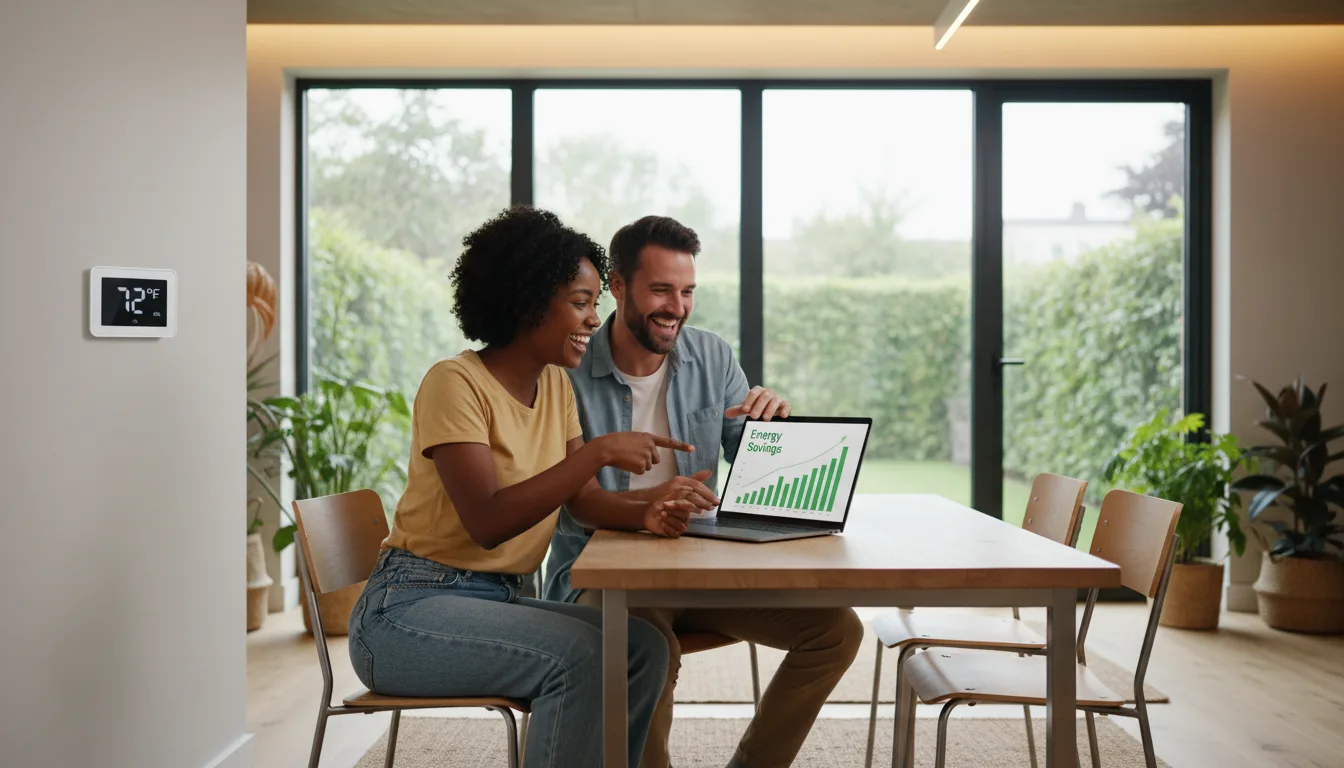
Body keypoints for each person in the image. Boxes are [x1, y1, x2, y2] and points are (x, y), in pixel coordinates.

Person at [347, 206, 703, 768]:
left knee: (643, 647)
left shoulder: (556, 387)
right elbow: (488, 522)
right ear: (529, 300)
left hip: (505, 598)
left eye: (594, 303)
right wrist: (599, 450)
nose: (593, 321)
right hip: (409, 610)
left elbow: (582, 504)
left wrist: (650, 507)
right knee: (582, 657)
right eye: (580, 303)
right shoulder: (455, 382)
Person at [544, 215, 865, 768]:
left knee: (836, 632)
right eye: (661, 289)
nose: (677, 306)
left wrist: (775, 423)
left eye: (687, 290)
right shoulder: (568, 371)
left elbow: (751, 454)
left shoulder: (712, 356)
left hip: (702, 566)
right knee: (644, 649)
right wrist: (648, 507)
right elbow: (578, 499)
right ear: (617, 287)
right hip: (606, 577)